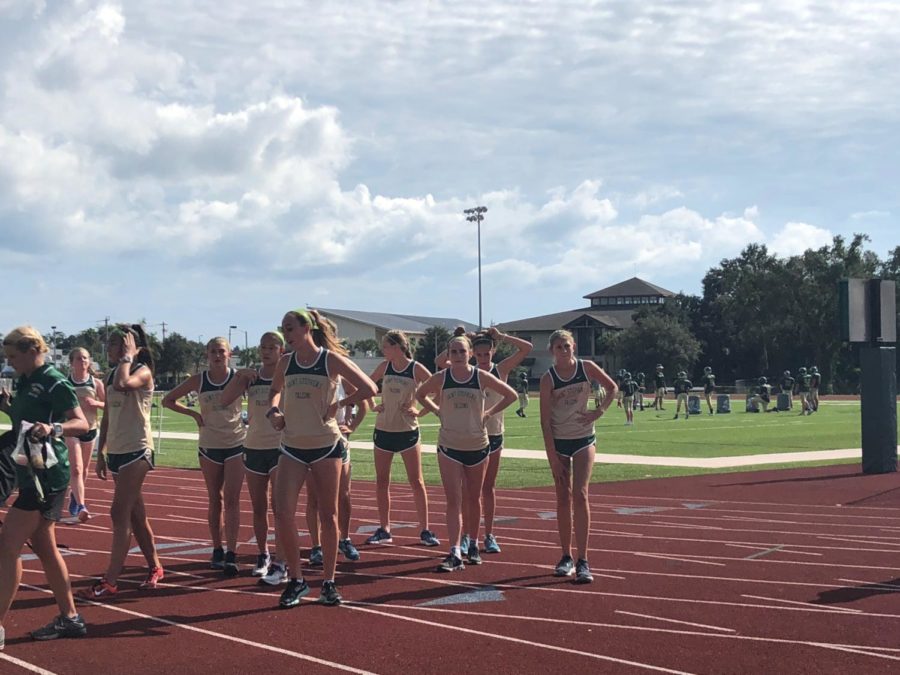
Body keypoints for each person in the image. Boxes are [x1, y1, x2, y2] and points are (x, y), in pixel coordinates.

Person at [267, 309, 377, 607]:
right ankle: (297, 579)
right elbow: (274, 391)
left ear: (307, 329)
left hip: (327, 446)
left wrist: (341, 403)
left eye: (290, 328)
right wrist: (274, 411)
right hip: (291, 445)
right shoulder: (286, 362)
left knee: (328, 514)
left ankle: (329, 582)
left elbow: (370, 388)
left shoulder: (329, 360)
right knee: (282, 511)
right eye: (283, 328)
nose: (286, 334)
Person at [0, 327, 89, 646]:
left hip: (46, 472)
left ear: (30, 350)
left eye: (12, 357)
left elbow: (82, 423)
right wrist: (7, 406)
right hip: (31, 467)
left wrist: (52, 428)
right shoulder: (25, 380)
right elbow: (25, 419)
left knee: (7, 546)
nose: (9, 363)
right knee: (45, 547)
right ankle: (70, 618)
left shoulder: (54, 380)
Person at [415, 333, 517, 572]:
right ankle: (454, 550)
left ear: (470, 354)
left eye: (462, 351)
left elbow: (510, 395)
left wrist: (488, 414)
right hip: (449, 445)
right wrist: (437, 411)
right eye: (454, 352)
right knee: (453, 500)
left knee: (473, 498)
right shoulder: (442, 377)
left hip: (478, 445)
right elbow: (420, 394)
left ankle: (472, 543)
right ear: (448, 356)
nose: (459, 356)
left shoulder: (480, 376)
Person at [83, 325, 164, 598]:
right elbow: (107, 416)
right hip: (117, 451)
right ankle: (155, 566)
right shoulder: (110, 374)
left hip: (137, 451)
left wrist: (129, 357)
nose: (109, 348)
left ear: (131, 347)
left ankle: (111, 580)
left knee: (118, 513)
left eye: (116, 343)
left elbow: (123, 384)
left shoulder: (142, 371)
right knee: (136, 516)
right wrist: (101, 451)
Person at [437, 326, 533, 554]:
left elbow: (526, 348)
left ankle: (488, 534)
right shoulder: (463, 370)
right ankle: (464, 537)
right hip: (466, 436)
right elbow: (440, 360)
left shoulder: (500, 370)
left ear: (493, 352)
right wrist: (463, 339)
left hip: (492, 435)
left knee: (486, 489)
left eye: (486, 354)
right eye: (477, 355)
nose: (482, 359)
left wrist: (501, 336)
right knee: (463, 492)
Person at [540, 329, 617, 584]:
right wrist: (551, 456)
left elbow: (612, 387)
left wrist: (599, 411)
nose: (564, 350)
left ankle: (583, 559)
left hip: (584, 438)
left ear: (574, 346)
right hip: (560, 442)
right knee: (562, 496)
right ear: (552, 351)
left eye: (567, 346)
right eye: (559, 347)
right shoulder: (548, 379)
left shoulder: (587, 367)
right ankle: (566, 556)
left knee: (581, 493)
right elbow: (544, 421)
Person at [163, 338, 245, 577]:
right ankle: (217, 548)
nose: (217, 356)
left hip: (236, 442)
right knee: (215, 499)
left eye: (221, 351)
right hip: (210, 445)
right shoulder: (199, 380)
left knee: (232, 499)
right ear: (207, 355)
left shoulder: (239, 377)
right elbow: (168, 400)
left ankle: (232, 552)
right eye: (213, 352)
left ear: (229, 354)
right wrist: (193, 415)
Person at [220, 331, 285, 580]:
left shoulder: (286, 376)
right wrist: (238, 377)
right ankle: (263, 552)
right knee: (259, 507)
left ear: (281, 350)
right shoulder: (251, 377)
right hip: (254, 447)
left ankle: (282, 559)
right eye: (263, 347)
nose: (266, 351)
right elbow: (225, 399)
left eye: (271, 347)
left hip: (280, 448)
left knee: (280, 508)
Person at [366, 330, 437, 548]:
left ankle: (425, 529)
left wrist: (422, 411)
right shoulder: (384, 367)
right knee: (382, 481)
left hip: (407, 432)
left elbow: (439, 387)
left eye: (386, 346)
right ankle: (384, 529)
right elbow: (366, 385)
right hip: (384, 430)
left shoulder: (415, 368)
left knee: (416, 481)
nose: (383, 350)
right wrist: (372, 405)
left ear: (397, 347)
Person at [306, 365, 369, 566]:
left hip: (337, 440)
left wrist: (351, 425)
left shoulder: (340, 376)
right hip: (311, 441)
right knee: (314, 496)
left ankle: (345, 539)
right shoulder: (303, 376)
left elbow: (365, 400)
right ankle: (316, 547)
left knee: (344, 494)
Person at [65, 347, 106, 522]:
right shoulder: (65, 382)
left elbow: (108, 405)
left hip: (90, 429)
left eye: (85, 358)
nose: (82, 361)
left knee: (85, 470)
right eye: (78, 358)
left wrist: (95, 403)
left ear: (89, 362)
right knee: (76, 468)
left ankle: (75, 496)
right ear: (71, 362)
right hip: (72, 429)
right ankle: (81, 504)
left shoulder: (96, 383)